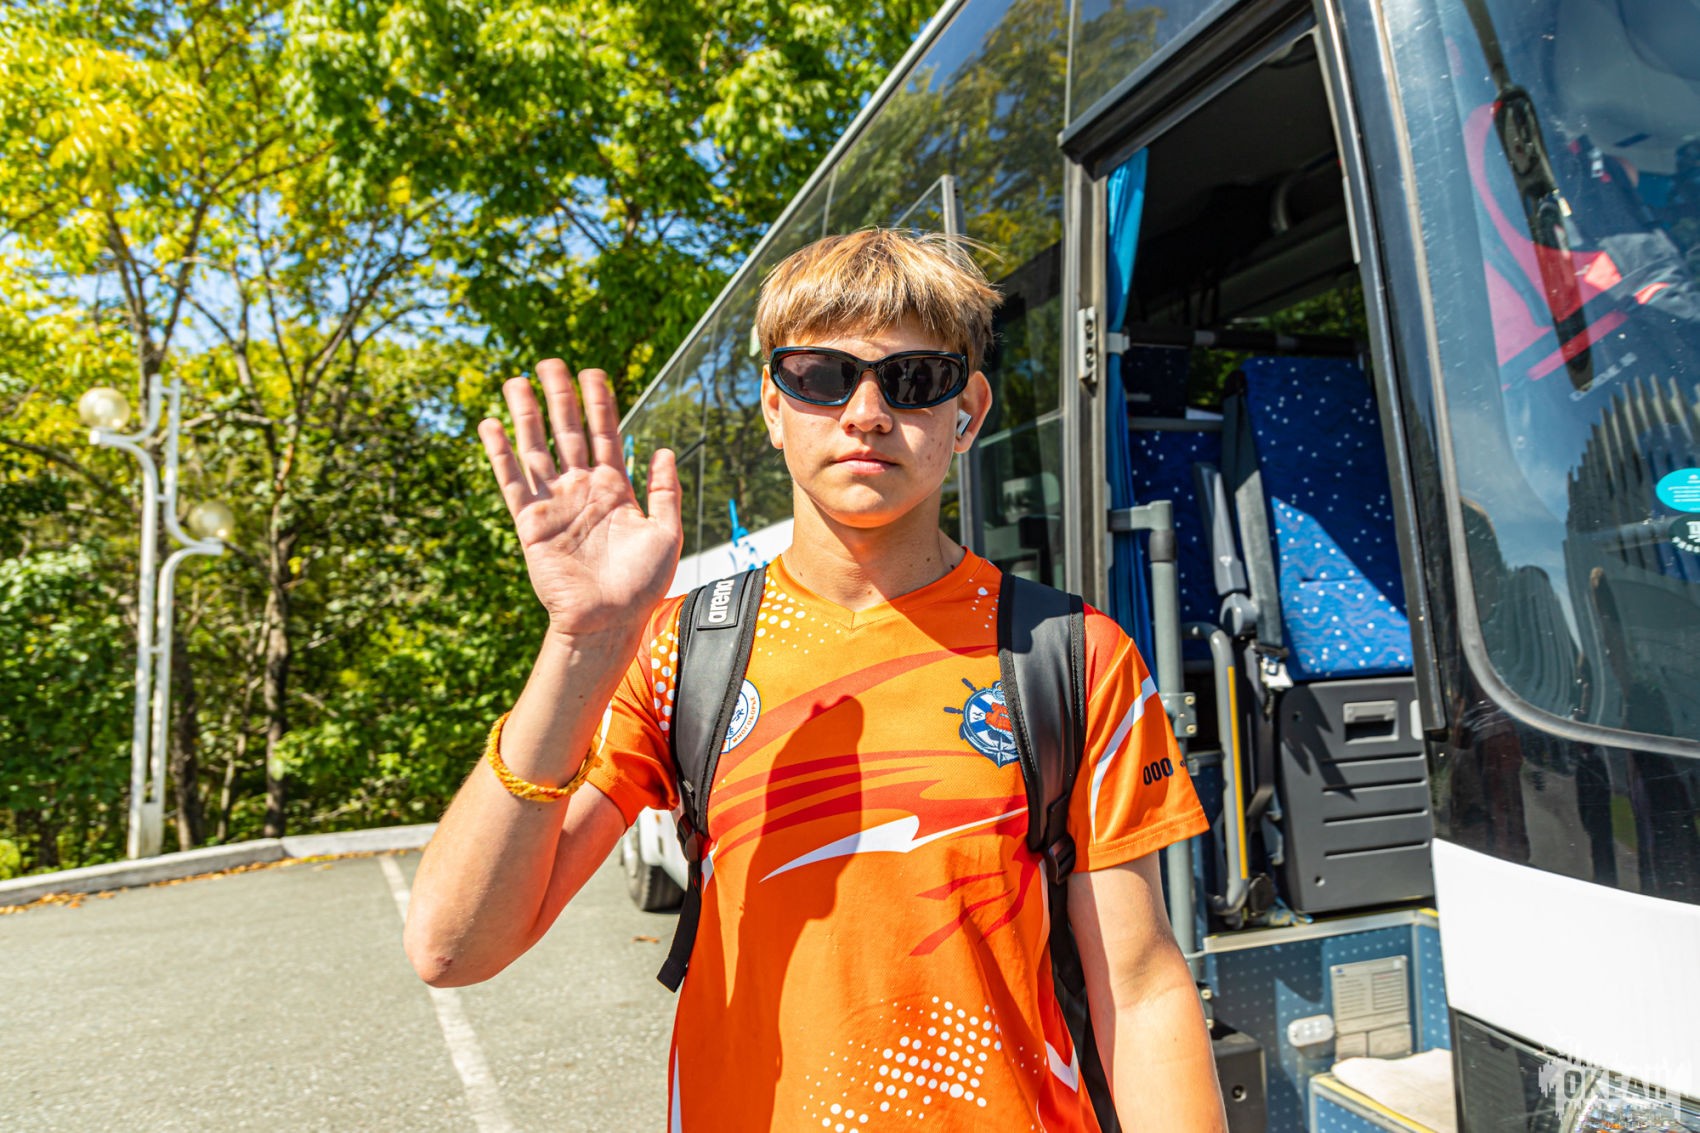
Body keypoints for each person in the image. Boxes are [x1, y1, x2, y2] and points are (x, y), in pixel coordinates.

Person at [405, 229, 1227, 1131]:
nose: (866, 412)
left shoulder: (1074, 654)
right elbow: (453, 947)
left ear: (968, 410)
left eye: (914, 378)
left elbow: (1141, 986)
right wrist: (582, 643)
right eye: (821, 376)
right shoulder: (682, 649)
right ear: (773, 404)